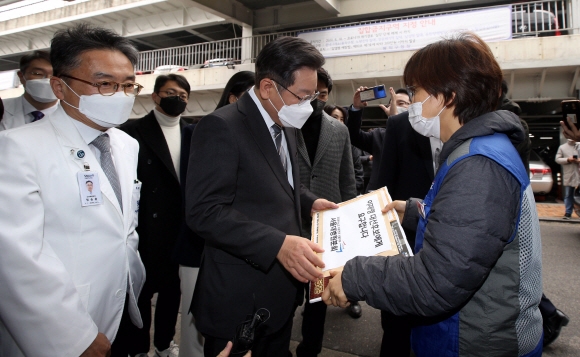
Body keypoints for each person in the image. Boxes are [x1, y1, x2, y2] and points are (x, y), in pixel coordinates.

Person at [323, 33, 543, 357]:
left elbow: (436, 279)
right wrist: (412, 212)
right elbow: (470, 229)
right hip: (466, 331)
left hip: (474, 342)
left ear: (446, 96)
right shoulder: (474, 150)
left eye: (415, 91)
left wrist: (354, 277)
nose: (411, 101)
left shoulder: (479, 164)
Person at [185, 36, 337, 357]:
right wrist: (277, 245)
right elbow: (205, 211)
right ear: (267, 87)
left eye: (313, 97)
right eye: (303, 96)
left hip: (278, 297)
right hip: (239, 298)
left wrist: (310, 202)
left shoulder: (285, 120)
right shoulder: (222, 127)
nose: (307, 107)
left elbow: (279, 181)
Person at [0, 24, 146, 357]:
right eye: (105, 84)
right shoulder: (16, 148)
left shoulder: (126, 145)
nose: (120, 95)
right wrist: (72, 337)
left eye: (127, 86)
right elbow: (16, 260)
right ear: (60, 86)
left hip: (118, 306)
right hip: (55, 327)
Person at [174, 71, 255, 357]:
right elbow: (199, 201)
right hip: (201, 244)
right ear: (233, 98)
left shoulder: (256, 136)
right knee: (195, 325)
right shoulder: (208, 130)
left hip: (235, 248)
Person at [117, 74, 192, 357]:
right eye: (171, 92)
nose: (178, 99)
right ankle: (138, 348)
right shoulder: (131, 131)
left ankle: (163, 343)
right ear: (155, 96)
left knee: (172, 292)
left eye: (183, 95)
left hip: (179, 226)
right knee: (141, 292)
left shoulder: (192, 133)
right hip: (144, 226)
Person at [295, 69, 357, 357]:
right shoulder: (284, 125)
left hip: (327, 232)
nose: (314, 99)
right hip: (288, 226)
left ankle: (310, 349)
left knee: (318, 297)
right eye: (308, 93)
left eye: (320, 94)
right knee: (283, 295)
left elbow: (347, 181)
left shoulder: (339, 130)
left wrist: (350, 223)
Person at [0, 50, 59, 131]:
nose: (48, 79)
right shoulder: (2, 109)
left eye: (55, 75)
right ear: (21, 76)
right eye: (38, 73)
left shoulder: (77, 114)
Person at [325, 104, 364, 195]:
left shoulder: (350, 146)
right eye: (335, 117)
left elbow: (358, 172)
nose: (339, 122)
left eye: (342, 119)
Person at [555, 139, 580, 219]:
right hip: (569, 173)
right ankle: (568, 212)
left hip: (578, 173)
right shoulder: (563, 147)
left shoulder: (579, 145)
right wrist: (568, 159)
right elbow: (557, 159)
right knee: (568, 194)